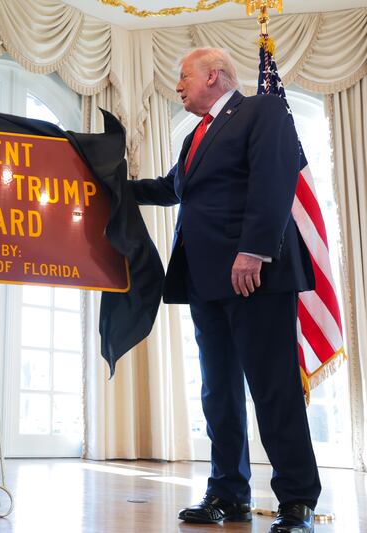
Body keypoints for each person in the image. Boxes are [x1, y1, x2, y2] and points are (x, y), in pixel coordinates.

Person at [129, 47, 320, 533]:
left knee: (273, 388)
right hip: (205, 278)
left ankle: (297, 498)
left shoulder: (262, 110)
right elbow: (174, 188)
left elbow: (274, 180)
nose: (178, 85)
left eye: (183, 74)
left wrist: (254, 250)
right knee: (219, 392)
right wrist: (112, 187)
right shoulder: (196, 135)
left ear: (214, 75)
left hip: (255, 275)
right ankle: (227, 493)